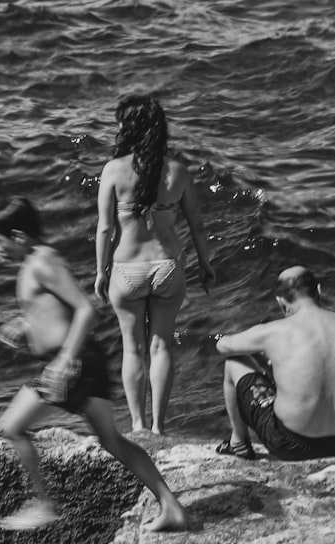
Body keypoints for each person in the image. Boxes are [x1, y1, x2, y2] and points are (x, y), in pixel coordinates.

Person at [0, 198, 189, 532]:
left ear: (18, 236)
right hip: (85, 361)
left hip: (72, 362)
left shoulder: (42, 262)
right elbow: (55, 310)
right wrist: (24, 325)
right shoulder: (36, 263)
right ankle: (172, 507)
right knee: (113, 441)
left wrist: (64, 359)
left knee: (12, 426)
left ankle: (43, 504)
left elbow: (85, 309)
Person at [94, 95, 216, 434]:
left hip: (126, 269)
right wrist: (205, 264)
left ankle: (138, 426)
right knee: (161, 345)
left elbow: (105, 228)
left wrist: (101, 273)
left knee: (133, 348)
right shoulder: (178, 171)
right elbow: (197, 224)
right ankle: (160, 427)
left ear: (129, 128)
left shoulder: (113, 170)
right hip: (168, 265)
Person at [214, 266, 335, 461]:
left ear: (280, 301)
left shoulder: (273, 332)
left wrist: (264, 347)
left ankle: (238, 442)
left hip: (291, 444)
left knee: (234, 362)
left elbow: (223, 346)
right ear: (319, 291)